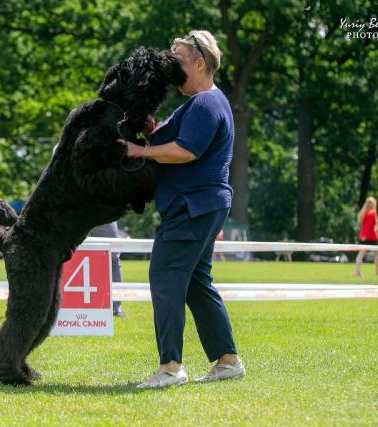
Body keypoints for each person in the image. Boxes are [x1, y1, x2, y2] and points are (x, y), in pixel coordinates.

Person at [119, 30, 244, 388]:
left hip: (194, 205)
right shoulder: (200, 103)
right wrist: (152, 129)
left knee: (165, 277)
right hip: (202, 205)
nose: (172, 69)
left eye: (179, 61)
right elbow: (176, 141)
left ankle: (171, 367)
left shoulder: (205, 103)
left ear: (200, 63)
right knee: (195, 283)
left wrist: (139, 150)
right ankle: (228, 360)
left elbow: (186, 151)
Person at [88, 222, 126, 317]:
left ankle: (115, 307)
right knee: (67, 255)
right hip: (75, 210)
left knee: (113, 257)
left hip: (105, 213)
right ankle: (66, 307)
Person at [353, 196, 378, 277]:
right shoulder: (372, 213)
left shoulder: (363, 213)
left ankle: (357, 272)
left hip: (364, 236)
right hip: (371, 237)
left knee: (361, 254)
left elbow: (364, 226)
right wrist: (366, 235)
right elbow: (369, 226)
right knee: (376, 254)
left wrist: (364, 235)